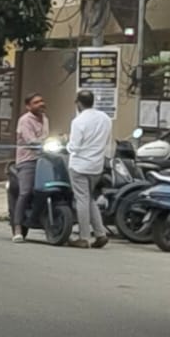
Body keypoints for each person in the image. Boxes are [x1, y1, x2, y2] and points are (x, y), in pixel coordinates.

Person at [67, 89, 114, 248]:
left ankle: (84, 237)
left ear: (79, 103)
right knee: (90, 199)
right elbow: (107, 141)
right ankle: (100, 233)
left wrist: (66, 144)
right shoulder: (105, 118)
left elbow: (74, 146)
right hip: (96, 166)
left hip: (80, 165)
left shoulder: (78, 121)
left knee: (82, 199)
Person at [11, 92, 48, 243]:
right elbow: (30, 140)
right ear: (28, 106)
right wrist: (41, 144)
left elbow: (46, 137)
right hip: (28, 160)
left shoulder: (45, 118)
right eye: (36, 102)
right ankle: (18, 227)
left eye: (42, 101)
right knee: (25, 192)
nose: (41, 104)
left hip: (44, 159)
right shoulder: (25, 120)